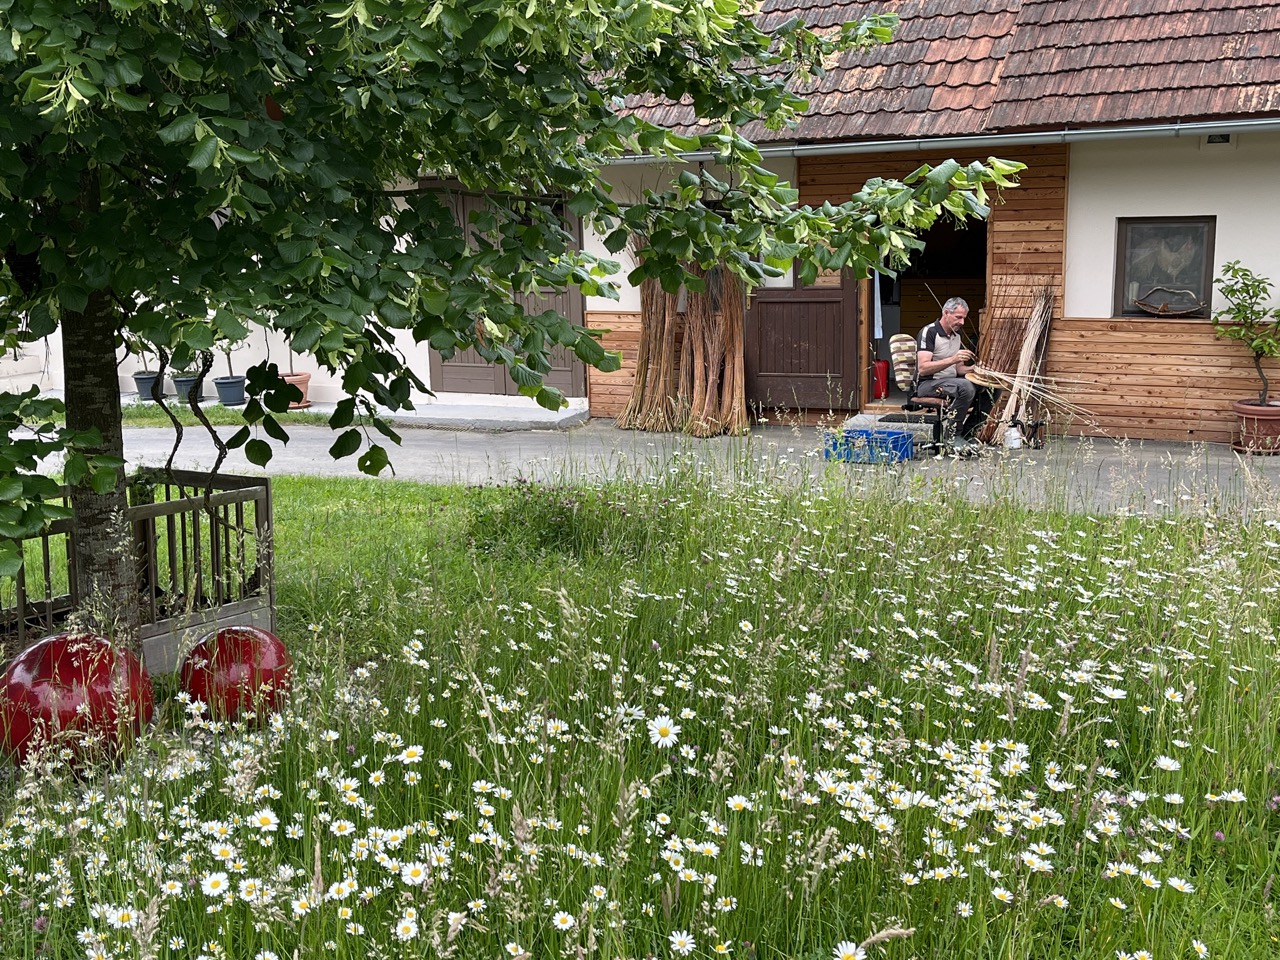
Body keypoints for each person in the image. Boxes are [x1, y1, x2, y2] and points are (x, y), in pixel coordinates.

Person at [915, 297, 997, 449]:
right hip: (927, 384)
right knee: (965, 386)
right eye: (958, 317)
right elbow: (923, 368)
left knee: (993, 388)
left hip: (951, 382)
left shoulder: (956, 336)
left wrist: (975, 369)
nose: (962, 322)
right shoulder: (929, 332)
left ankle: (968, 432)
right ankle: (953, 435)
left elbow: (959, 369)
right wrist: (952, 359)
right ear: (946, 313)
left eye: (964, 318)